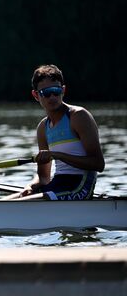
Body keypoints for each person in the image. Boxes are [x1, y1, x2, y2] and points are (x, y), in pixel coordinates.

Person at [8, 64, 105, 200]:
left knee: (19, 204)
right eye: (46, 93)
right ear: (36, 95)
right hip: (57, 184)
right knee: (4, 201)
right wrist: (31, 186)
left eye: (56, 90)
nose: (52, 97)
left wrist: (58, 155)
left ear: (63, 90)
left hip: (79, 187)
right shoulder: (43, 127)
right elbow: (43, 177)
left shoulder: (78, 116)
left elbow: (98, 164)